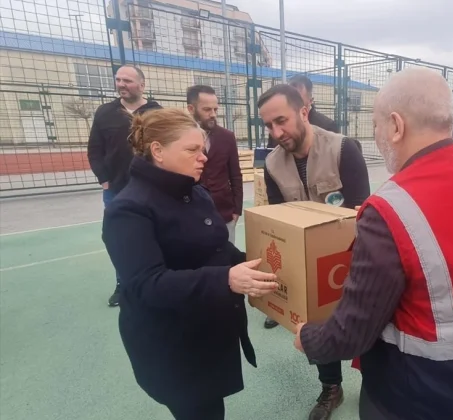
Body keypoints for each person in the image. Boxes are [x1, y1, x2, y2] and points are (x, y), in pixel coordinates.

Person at [293, 67, 453, 420]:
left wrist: (308, 338)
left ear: (396, 125)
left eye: (376, 125)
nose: (377, 135)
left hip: (430, 397)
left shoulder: (391, 210)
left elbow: (352, 333)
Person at [101, 108, 278, 420]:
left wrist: (253, 266)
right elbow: (147, 283)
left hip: (204, 331)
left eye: (203, 150)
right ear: (158, 150)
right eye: (192, 150)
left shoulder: (192, 190)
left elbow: (216, 247)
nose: (203, 158)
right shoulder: (128, 210)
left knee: (209, 407)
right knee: (198, 411)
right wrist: (227, 279)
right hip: (171, 345)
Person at [257, 84, 370, 420]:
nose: (276, 132)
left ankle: (377, 383)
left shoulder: (343, 149)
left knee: (369, 321)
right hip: (309, 260)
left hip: (351, 255)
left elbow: (360, 213)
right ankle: (331, 387)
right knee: (316, 325)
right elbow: (280, 220)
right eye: (268, 125)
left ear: (304, 111)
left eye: (282, 121)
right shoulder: (273, 164)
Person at [87, 64, 162, 307]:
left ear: (142, 84)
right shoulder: (105, 112)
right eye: (118, 80)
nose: (121, 85)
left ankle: (158, 279)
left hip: (151, 188)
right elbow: (95, 149)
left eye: (128, 81)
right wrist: (103, 178)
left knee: (156, 234)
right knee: (118, 238)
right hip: (117, 189)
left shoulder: (156, 113)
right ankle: (123, 283)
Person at [186, 85, 243, 243]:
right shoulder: (180, 139)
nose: (213, 115)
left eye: (215, 110)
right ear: (191, 108)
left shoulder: (227, 137)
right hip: (193, 213)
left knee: (227, 259)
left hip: (225, 213)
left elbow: (235, 175)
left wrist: (237, 209)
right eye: (207, 110)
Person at [267, 74, 362, 155]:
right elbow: (270, 157)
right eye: (289, 101)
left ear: (310, 101)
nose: (292, 106)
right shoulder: (277, 128)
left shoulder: (327, 126)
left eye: (298, 101)